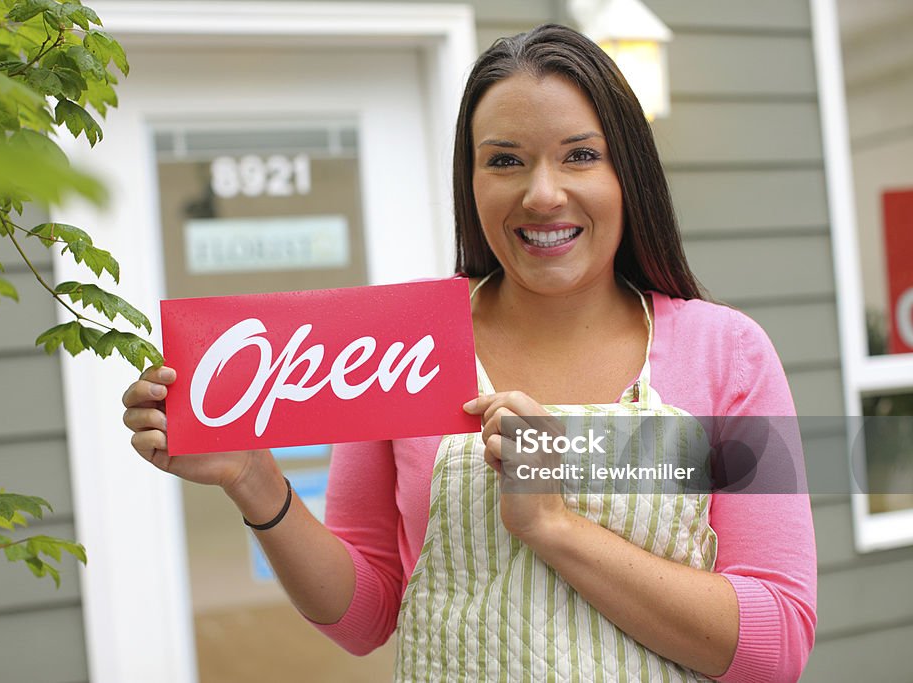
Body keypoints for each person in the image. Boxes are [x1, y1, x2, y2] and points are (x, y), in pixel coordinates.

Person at [122, 24, 817, 682]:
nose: (542, 193)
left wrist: (552, 524)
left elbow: (778, 643)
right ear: (471, 180)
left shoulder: (730, 354)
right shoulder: (401, 345)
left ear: (627, 172)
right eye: (504, 160)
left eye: (580, 154)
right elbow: (366, 614)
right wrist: (254, 480)